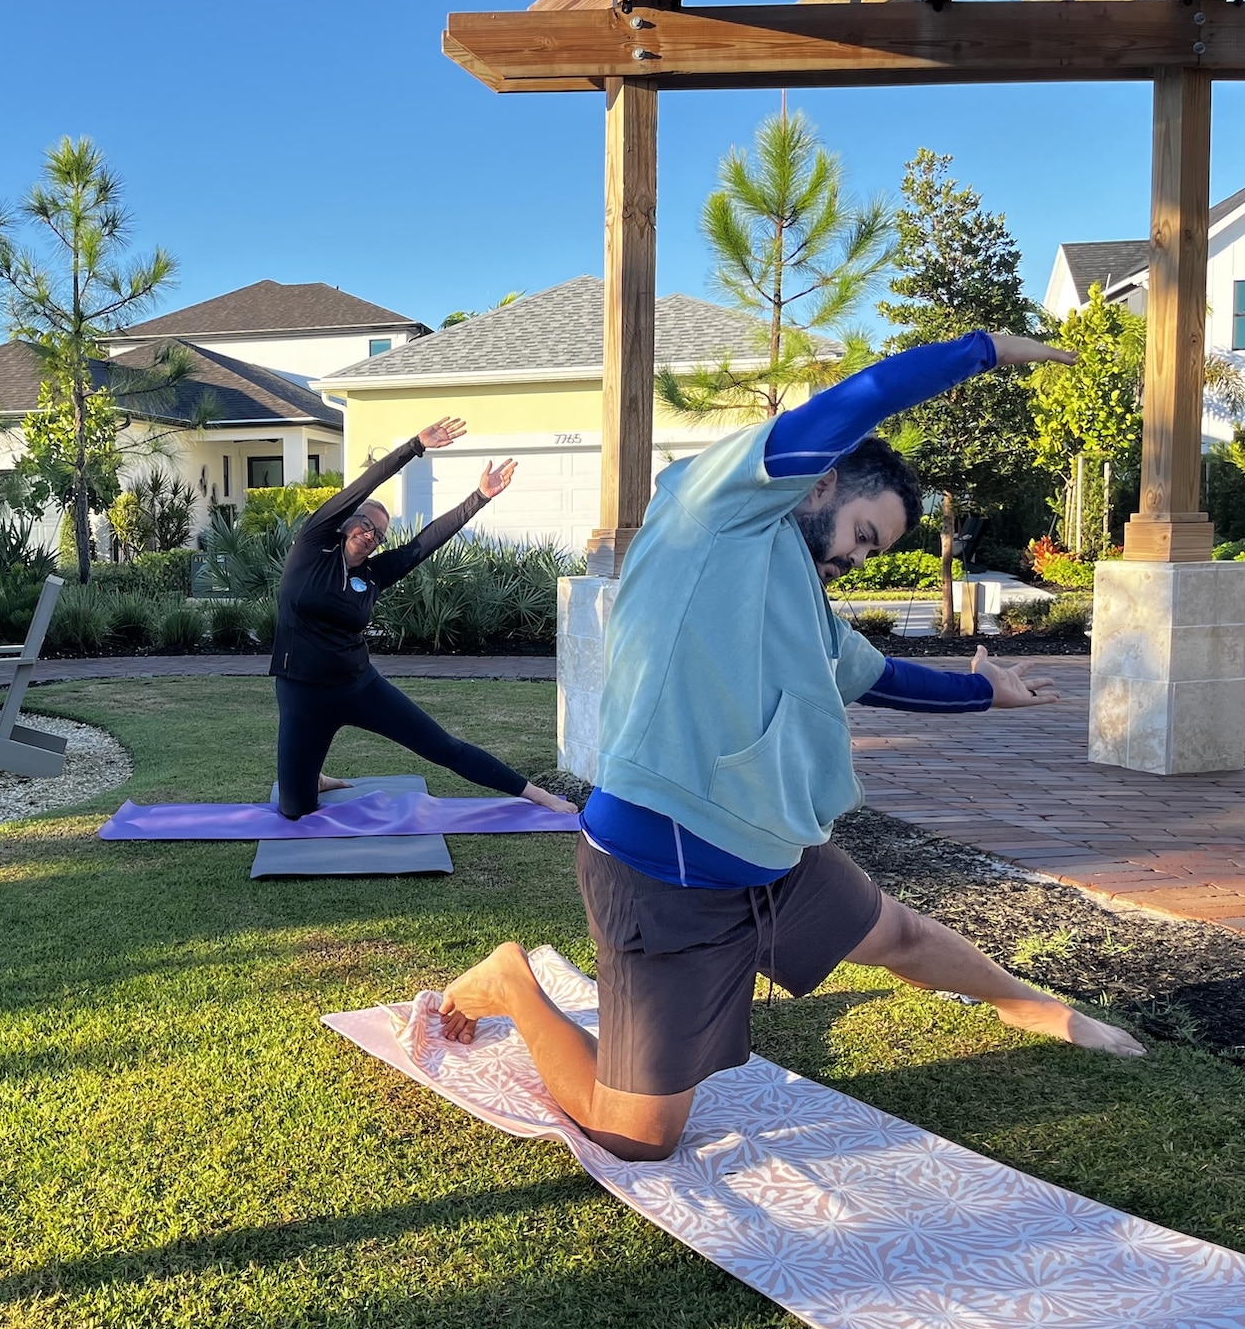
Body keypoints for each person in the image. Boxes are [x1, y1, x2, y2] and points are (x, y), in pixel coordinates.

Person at [436, 332, 1144, 1162]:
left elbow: (876, 676)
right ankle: (514, 985)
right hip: (667, 868)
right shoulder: (715, 512)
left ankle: (1032, 1005)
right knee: (637, 1137)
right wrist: (985, 351)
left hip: (775, 854)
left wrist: (988, 690)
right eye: (863, 533)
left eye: (872, 551)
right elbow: (860, 399)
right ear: (828, 479)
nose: (854, 556)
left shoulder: (800, 594)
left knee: (901, 938)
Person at [271, 416, 578, 820]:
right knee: (294, 810)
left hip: (358, 685)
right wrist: (415, 445)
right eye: (365, 524)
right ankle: (312, 776)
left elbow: (423, 544)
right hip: (303, 692)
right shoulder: (312, 547)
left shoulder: (373, 574)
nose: (370, 534)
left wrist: (479, 497)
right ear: (347, 523)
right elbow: (363, 486)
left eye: (380, 533)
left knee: (443, 747)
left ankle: (539, 795)